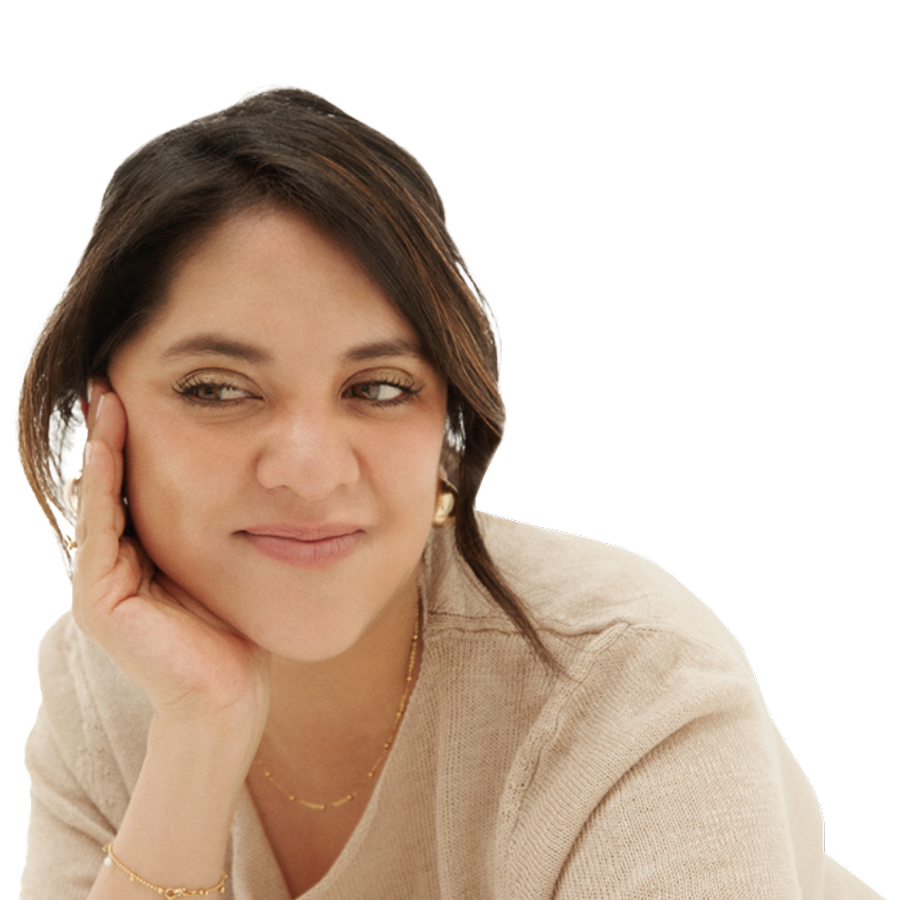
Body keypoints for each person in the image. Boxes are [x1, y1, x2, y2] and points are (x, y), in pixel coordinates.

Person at [17, 84, 881, 899]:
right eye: (216, 389)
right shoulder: (111, 684)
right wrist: (199, 732)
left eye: (378, 388)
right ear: (104, 419)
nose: (311, 468)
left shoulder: (629, 680)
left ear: (446, 428)